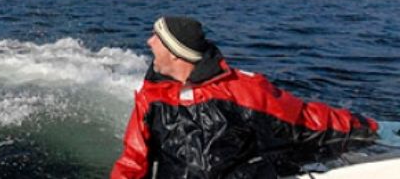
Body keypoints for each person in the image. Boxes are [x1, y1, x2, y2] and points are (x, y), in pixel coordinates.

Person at [111, 16, 378, 179]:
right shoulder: (151, 97)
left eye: (156, 37)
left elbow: (306, 120)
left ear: (175, 53)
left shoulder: (242, 91)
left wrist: (369, 129)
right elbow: (133, 159)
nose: (148, 42)